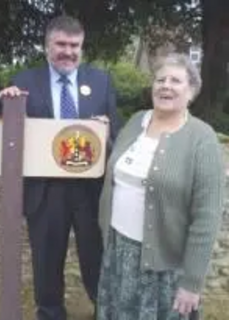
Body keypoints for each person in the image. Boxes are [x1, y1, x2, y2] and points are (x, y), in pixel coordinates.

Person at [0, 15, 120, 320]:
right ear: (47, 46)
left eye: (75, 45)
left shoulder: (101, 81)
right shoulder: (24, 81)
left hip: (90, 191)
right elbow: (4, 124)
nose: (68, 51)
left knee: (96, 258)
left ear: (82, 46)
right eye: (61, 44)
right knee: (47, 262)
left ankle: (105, 311)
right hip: (45, 191)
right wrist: (4, 102)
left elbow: (115, 132)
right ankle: (50, 313)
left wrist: (106, 131)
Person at [97, 53, 225, 320]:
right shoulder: (135, 122)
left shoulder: (202, 139)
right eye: (160, 79)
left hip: (164, 265)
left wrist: (191, 283)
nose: (165, 85)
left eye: (175, 81)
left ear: (191, 92)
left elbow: (207, 217)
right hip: (119, 253)